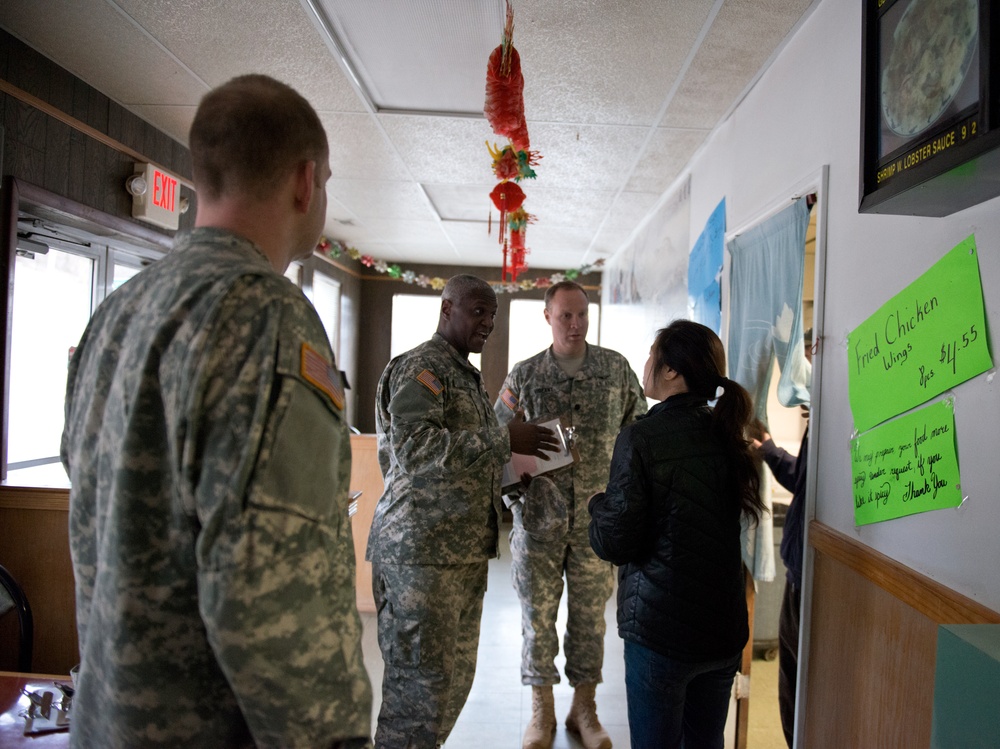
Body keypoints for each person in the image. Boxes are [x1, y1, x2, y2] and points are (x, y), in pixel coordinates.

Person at [60, 75, 372, 748]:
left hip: (106, 721)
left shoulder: (116, 313)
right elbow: (271, 597)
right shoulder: (267, 317)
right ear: (304, 180)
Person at [367, 274, 559, 749]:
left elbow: (464, 459)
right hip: (421, 557)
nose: (488, 323)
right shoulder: (422, 368)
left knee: (448, 688)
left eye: (492, 315)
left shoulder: (462, 373)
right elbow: (414, 450)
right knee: (417, 696)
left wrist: (513, 471)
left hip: (460, 555)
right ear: (447, 308)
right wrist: (503, 439)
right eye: (479, 312)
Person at [588, 320, 766, 749]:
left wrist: (598, 505)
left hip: (660, 636)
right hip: (722, 631)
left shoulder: (642, 438)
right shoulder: (729, 435)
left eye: (653, 355)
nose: (646, 363)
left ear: (671, 371)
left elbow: (616, 542)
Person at [493, 280, 645, 749]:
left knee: (589, 620)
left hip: (595, 526)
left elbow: (640, 439)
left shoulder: (616, 371)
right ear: (548, 317)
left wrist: (624, 502)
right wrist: (517, 503)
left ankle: (584, 709)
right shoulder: (525, 376)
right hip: (538, 526)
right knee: (537, 619)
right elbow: (496, 442)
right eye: (566, 316)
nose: (575, 324)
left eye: (581, 315)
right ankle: (542, 711)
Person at [753, 330, 811, 748]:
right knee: (792, 686)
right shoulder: (821, 418)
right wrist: (771, 450)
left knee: (803, 688)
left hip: (815, 580)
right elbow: (805, 482)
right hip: (800, 574)